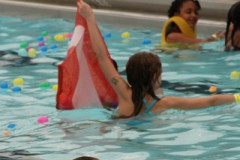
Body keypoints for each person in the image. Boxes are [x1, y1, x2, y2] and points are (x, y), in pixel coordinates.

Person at [76, 0, 240, 118]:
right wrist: (236, 97)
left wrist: (90, 17)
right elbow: (211, 101)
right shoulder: (165, 103)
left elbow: (101, 57)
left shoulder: (124, 93)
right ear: (156, 76)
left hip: (117, 127)